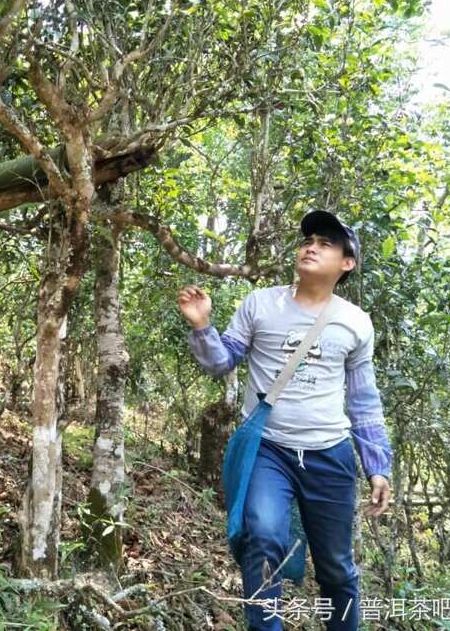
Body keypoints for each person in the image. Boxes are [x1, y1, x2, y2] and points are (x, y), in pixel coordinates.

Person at [177, 210, 392, 631]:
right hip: (268, 450)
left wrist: (377, 466)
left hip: (329, 455)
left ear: (346, 263)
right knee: (262, 539)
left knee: (335, 567)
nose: (311, 246)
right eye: (308, 239)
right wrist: (203, 326)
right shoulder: (261, 304)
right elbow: (222, 363)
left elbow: (364, 401)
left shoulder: (355, 322)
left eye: (326, 243)